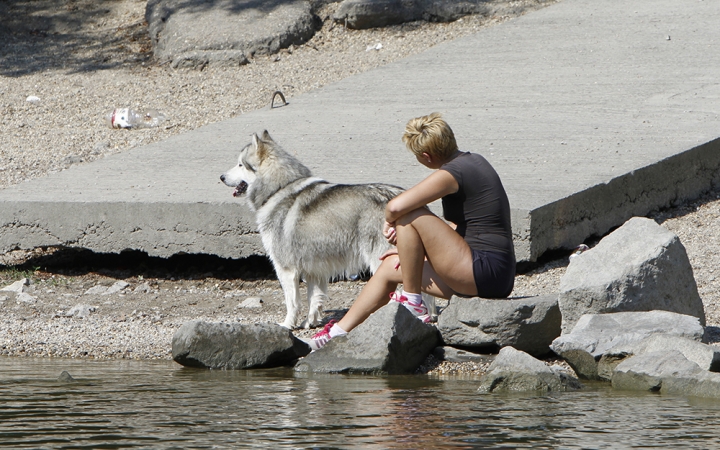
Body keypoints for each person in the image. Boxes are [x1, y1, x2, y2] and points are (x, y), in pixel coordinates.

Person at [309, 112, 516, 350]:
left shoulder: (453, 173)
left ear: (426, 156)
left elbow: (395, 206)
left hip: (483, 270)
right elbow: (460, 230)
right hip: (489, 274)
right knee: (390, 267)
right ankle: (336, 334)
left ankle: (412, 301)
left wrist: (389, 222)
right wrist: (411, 256)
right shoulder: (474, 161)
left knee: (408, 215)